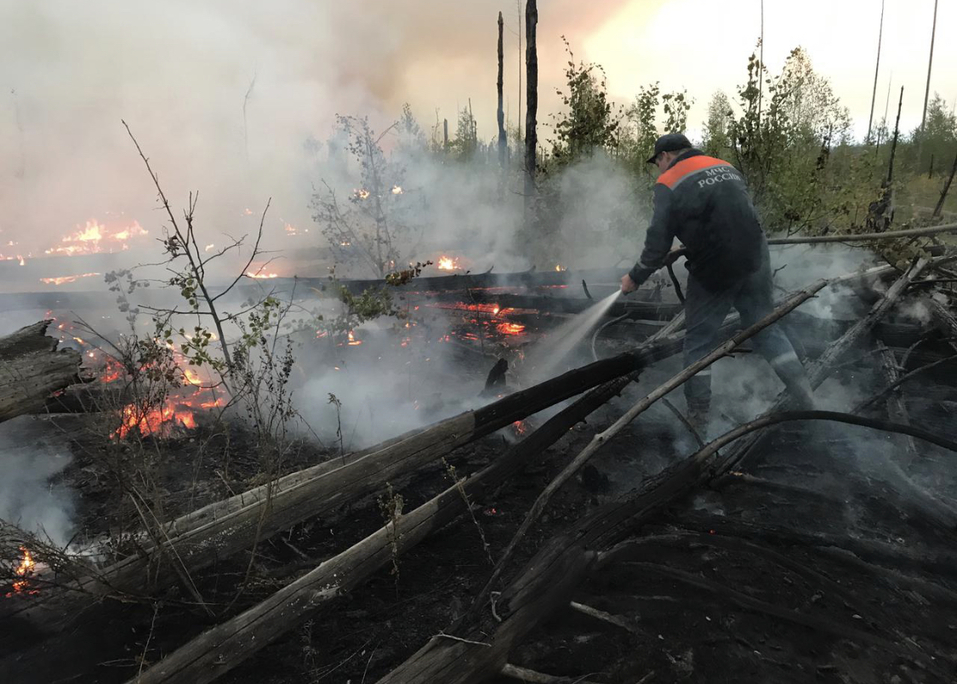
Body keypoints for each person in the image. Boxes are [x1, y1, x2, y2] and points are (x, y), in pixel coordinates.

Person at [620, 133, 814, 428]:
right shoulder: (724, 166)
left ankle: (698, 418)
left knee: (699, 341)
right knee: (765, 327)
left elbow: (657, 240)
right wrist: (685, 247)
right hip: (755, 256)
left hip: (716, 265)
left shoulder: (668, 181)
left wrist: (635, 277)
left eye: (657, 162)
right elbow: (728, 219)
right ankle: (806, 395)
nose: (658, 168)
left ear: (666, 156)